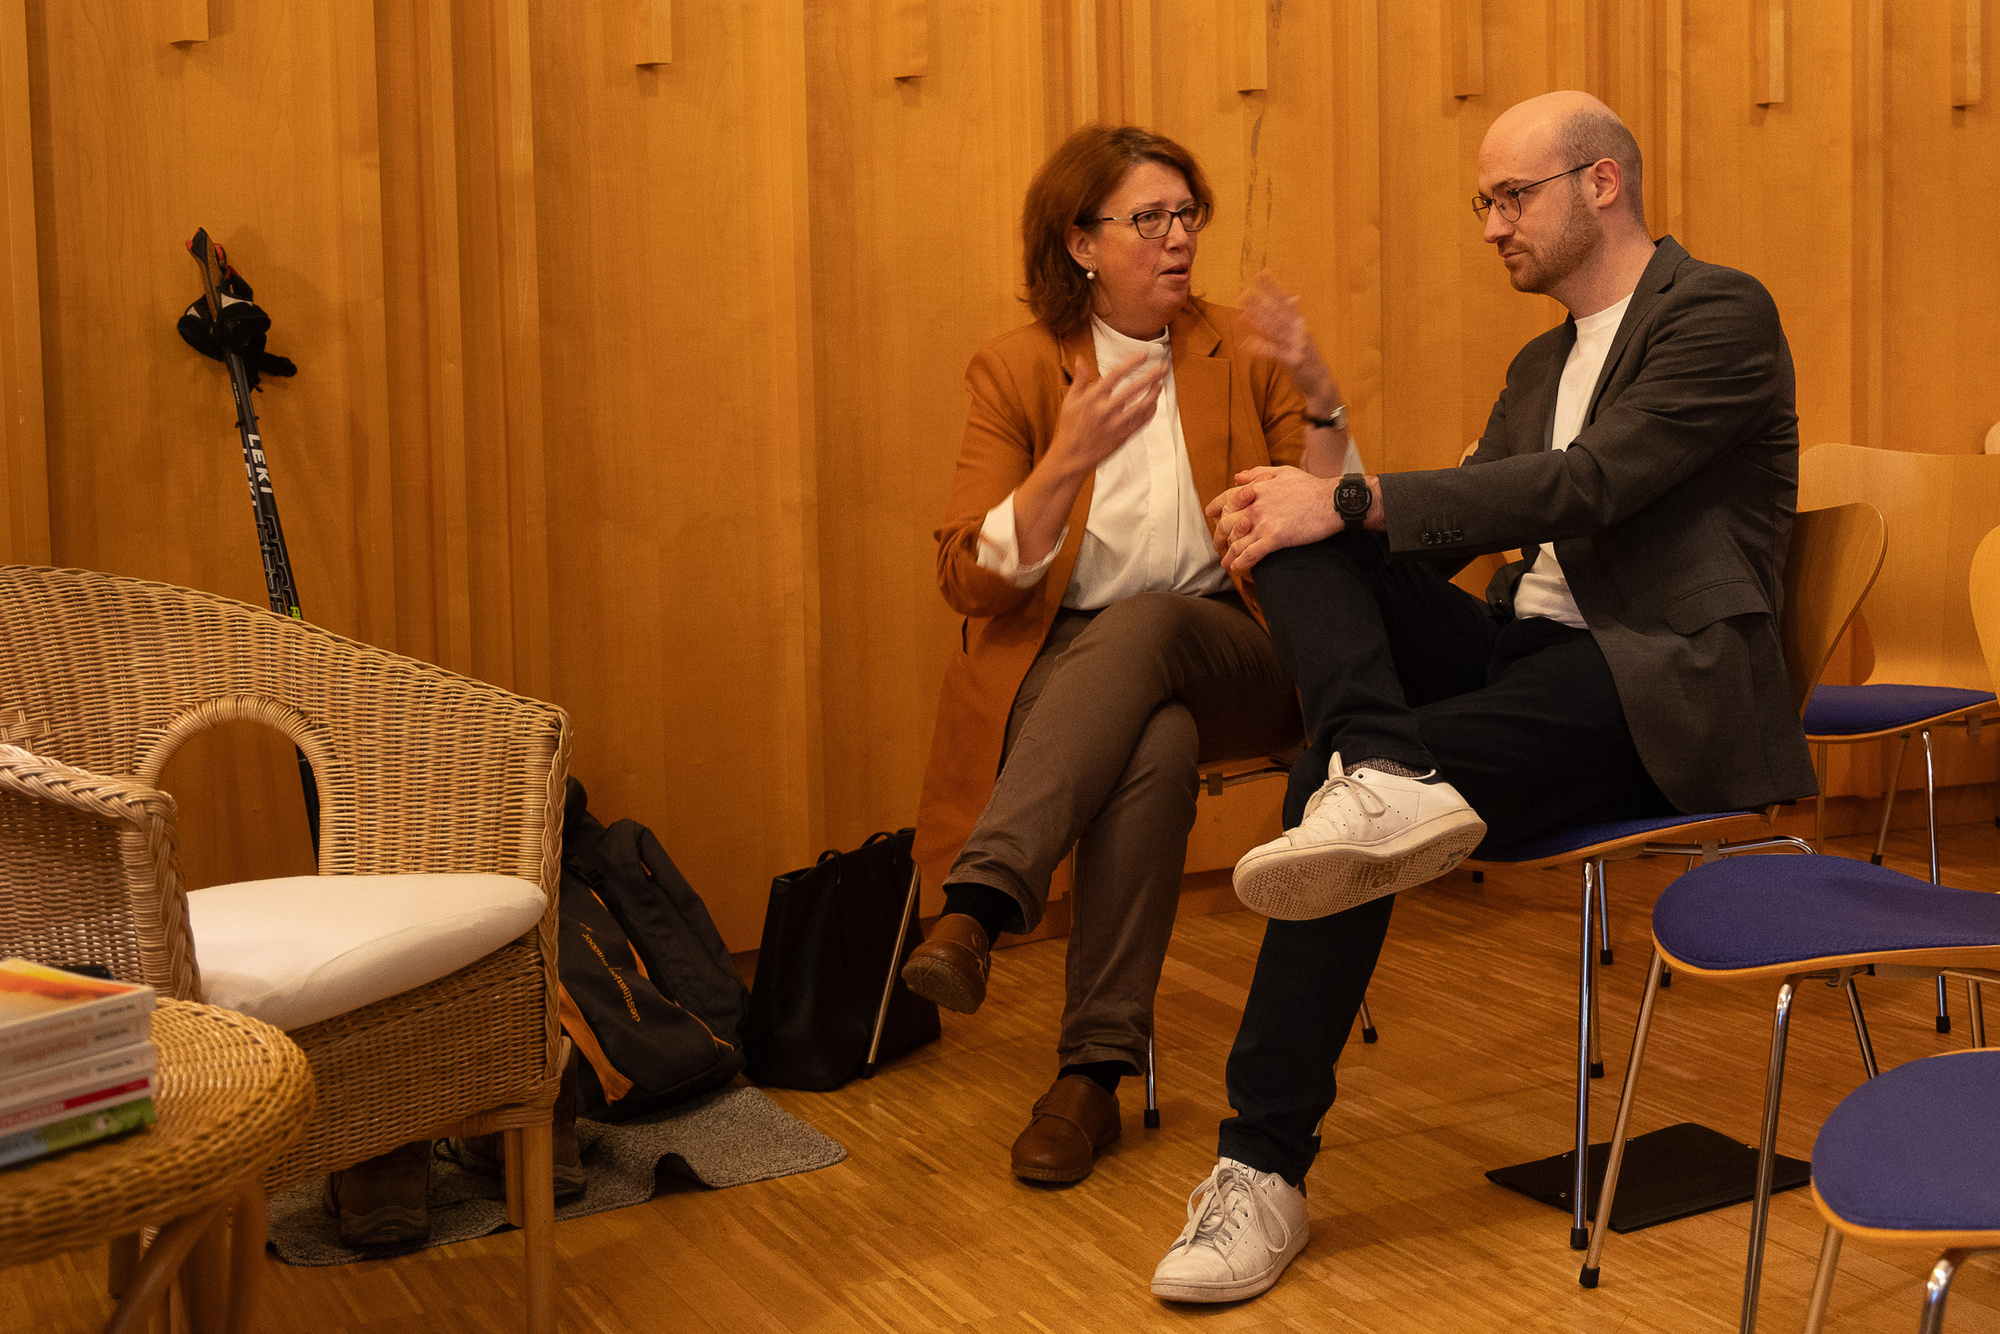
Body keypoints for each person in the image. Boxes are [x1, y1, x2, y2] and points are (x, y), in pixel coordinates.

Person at [1147, 90, 1817, 1302]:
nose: (1492, 224)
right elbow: (1443, 530)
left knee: (1317, 787)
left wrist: (1348, 499)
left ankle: (1261, 1163)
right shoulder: (1538, 361)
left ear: (1600, 183)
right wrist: (1317, 493)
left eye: (1510, 196)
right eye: (1483, 202)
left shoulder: (1716, 311)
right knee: (1288, 525)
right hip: (1521, 650)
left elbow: (1588, 484)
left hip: (1649, 679)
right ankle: (1377, 763)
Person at [902, 124, 1361, 1184]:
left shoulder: (1240, 347)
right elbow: (968, 578)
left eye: (1185, 214)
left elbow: (1330, 518)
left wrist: (1323, 399)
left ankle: (978, 904)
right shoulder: (1018, 369)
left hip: (1239, 643)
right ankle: (1091, 1076)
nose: (1178, 237)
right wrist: (1063, 462)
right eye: (1148, 219)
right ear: (1080, 242)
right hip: (1072, 667)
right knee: (1153, 744)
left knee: (1149, 624)